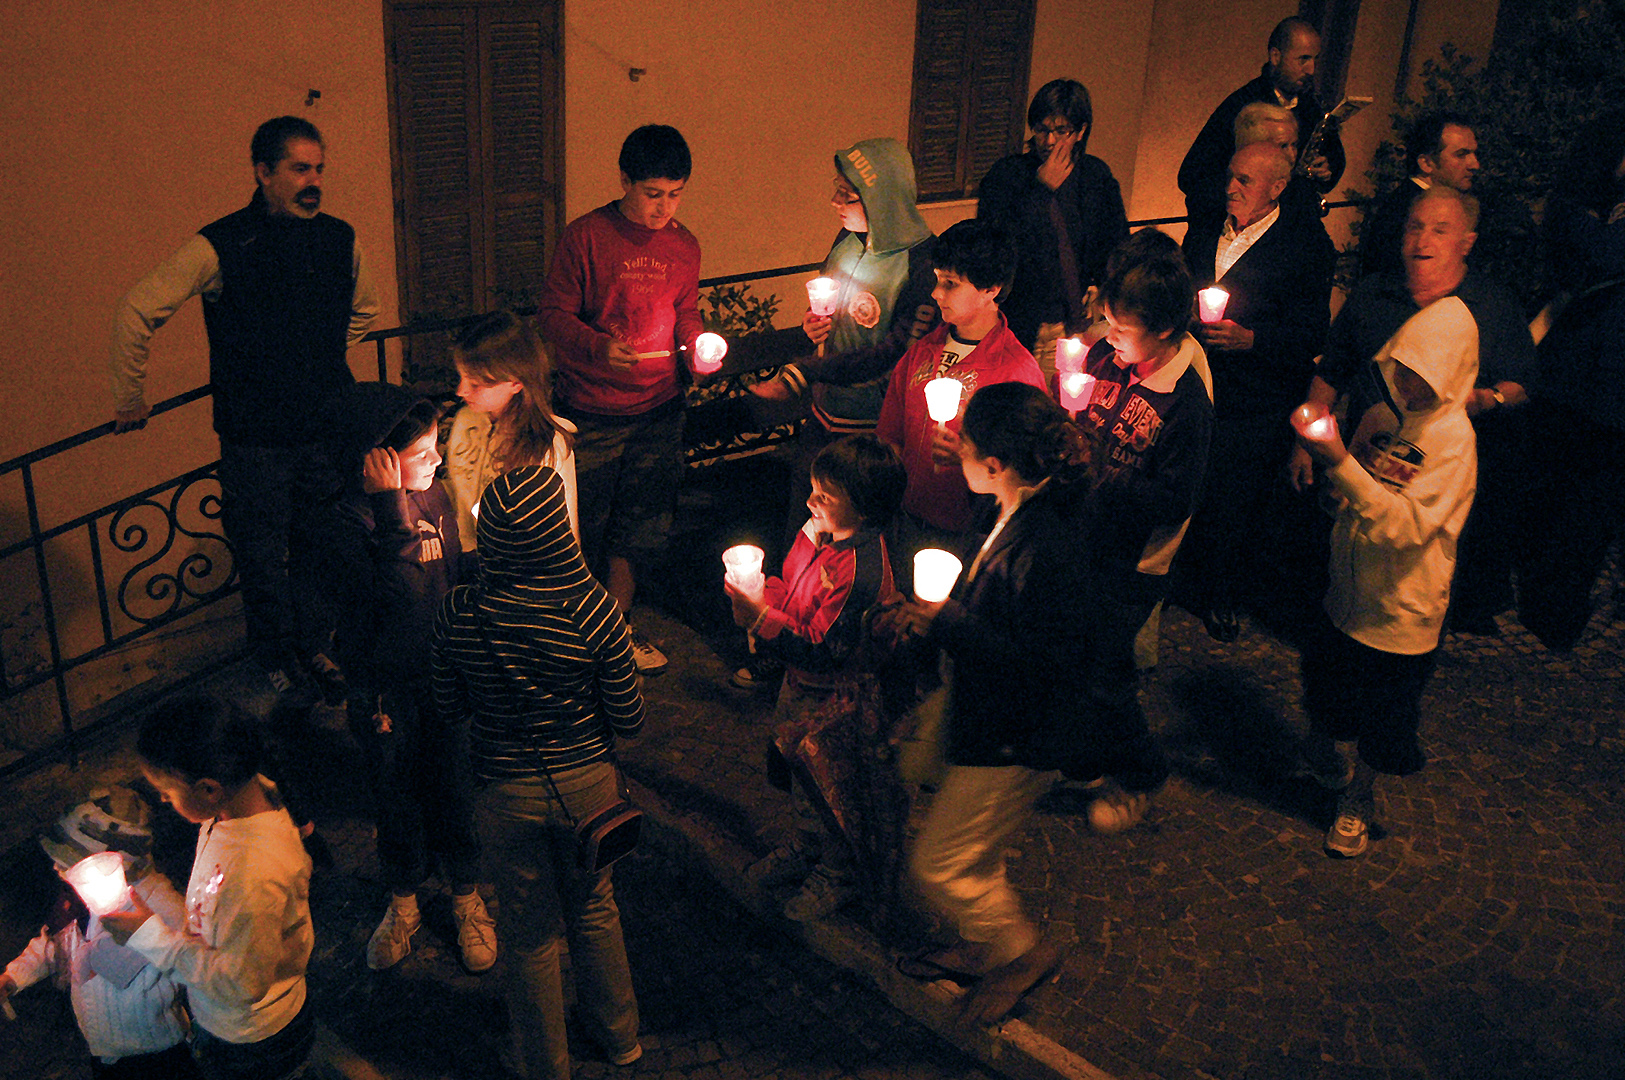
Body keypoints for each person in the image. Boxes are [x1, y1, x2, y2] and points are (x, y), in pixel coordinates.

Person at [109, 116, 380, 699]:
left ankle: (312, 647)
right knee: (261, 559)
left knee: (319, 550)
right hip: (255, 440)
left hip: (322, 428)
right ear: (262, 172)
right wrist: (130, 396)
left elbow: (365, 310)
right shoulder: (222, 243)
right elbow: (137, 309)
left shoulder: (339, 237)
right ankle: (274, 659)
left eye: (319, 169)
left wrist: (323, 358)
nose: (314, 181)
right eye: (299, 168)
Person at [889, 382, 1095, 1026]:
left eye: (967, 447)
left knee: (938, 864)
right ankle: (984, 943)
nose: (959, 454)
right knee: (974, 847)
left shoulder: (1048, 543)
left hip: (1018, 736)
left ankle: (1021, 952)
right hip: (990, 718)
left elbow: (1043, 662)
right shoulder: (1013, 509)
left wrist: (947, 623)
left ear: (996, 466)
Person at [432, 465, 645, 1080]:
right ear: (558, 532)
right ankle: (621, 1038)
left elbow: (449, 708)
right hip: (589, 788)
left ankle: (546, 1067)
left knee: (527, 934)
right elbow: (628, 718)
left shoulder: (459, 614)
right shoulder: (595, 611)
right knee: (595, 908)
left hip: (503, 791)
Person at [302, 383, 496, 974]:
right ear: (376, 463)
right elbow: (389, 595)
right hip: (385, 688)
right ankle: (405, 900)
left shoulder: (434, 496)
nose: (438, 461)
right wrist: (390, 513)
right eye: (423, 453)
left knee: (456, 786)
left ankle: (466, 896)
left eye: (436, 448)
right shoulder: (344, 523)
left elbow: (453, 572)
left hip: (443, 677)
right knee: (396, 795)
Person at [1294, 188, 1533, 634]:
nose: (1423, 240)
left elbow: (1522, 382)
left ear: (1466, 242)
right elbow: (1334, 369)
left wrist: (1484, 399)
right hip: (1369, 457)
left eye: (1440, 230)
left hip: (1435, 472)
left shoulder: (1492, 305)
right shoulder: (1373, 295)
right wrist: (1305, 443)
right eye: (1415, 226)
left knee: (1410, 562)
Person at [1291, 295, 1479, 858]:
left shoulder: (1453, 445)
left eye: (1420, 374)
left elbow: (1405, 528)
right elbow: (1361, 496)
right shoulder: (1382, 419)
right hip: (1348, 595)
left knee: (1383, 717)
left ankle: (1359, 799)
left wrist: (1337, 462)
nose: (1404, 381)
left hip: (1400, 615)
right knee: (1327, 689)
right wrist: (1334, 488)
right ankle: (1324, 752)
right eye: (1400, 365)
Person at [535, 124, 703, 675]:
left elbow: (686, 311)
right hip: (592, 411)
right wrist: (597, 347)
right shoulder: (585, 237)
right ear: (625, 181)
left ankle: (618, 627)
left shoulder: (683, 245)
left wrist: (695, 349)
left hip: (659, 408)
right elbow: (553, 316)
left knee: (642, 523)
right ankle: (573, 633)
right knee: (585, 524)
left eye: (675, 194)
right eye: (653, 193)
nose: (663, 208)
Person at [726, 434, 906, 923]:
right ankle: (805, 848)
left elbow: (825, 649)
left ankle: (838, 872)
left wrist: (762, 619)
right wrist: (765, 592)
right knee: (800, 778)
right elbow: (795, 585)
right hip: (799, 683)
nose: (810, 502)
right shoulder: (818, 532)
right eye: (812, 489)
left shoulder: (861, 572)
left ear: (864, 507)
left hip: (833, 700)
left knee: (832, 787)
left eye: (825, 496)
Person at [1075, 229, 1212, 828]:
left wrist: (1100, 476)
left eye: (1121, 328)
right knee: (1077, 652)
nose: (1108, 337)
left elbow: (1175, 499)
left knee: (1106, 671)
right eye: (1107, 321)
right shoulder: (1109, 357)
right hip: (1087, 537)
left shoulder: (1185, 402)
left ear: (1164, 329)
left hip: (1134, 562)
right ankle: (1086, 755)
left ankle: (1141, 772)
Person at [103, 696, 316, 1080]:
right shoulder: (240, 806)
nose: (164, 801)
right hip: (239, 1022)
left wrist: (149, 937)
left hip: (250, 1040)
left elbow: (243, 984)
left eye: (166, 792)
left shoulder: (253, 873)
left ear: (208, 789)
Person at [744, 137, 939, 553]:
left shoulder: (921, 265)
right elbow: (840, 307)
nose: (835, 201)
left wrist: (803, 372)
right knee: (803, 526)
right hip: (824, 413)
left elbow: (894, 353)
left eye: (848, 195)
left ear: (881, 199)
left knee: (853, 539)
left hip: (870, 430)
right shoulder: (849, 238)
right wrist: (817, 324)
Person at [1180, 140, 1334, 641]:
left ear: (1277, 187)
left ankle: (1223, 593)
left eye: (1245, 180)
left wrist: (1252, 339)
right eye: (1231, 175)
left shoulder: (1305, 246)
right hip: (1199, 383)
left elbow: (1312, 330)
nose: (1231, 187)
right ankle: (1181, 578)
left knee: (1237, 499)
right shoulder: (1205, 231)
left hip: (1257, 398)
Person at [875, 218, 1046, 579]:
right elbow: (890, 431)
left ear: (991, 289)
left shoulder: (1014, 371)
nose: (936, 293)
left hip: (968, 534)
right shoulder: (922, 350)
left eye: (950, 283)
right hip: (906, 518)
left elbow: (1027, 473)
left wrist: (970, 457)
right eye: (938, 279)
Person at [1518, 109, 1625, 650]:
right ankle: (1543, 596)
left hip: (1609, 391)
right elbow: (1590, 254)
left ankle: (1558, 610)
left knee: (1591, 507)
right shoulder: (1582, 213)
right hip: (1572, 379)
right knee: (1557, 494)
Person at [2, 794, 201, 1080]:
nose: (59, 870)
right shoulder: (83, 898)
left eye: (69, 861)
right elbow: (52, 946)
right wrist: (12, 978)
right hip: (104, 1056)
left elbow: (194, 964)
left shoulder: (160, 903)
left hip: (158, 1055)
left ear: (108, 858)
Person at [975, 79, 1129, 372]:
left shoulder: (1095, 176)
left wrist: (1104, 288)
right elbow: (993, 244)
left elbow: (1117, 242)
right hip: (1019, 319)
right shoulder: (1007, 175)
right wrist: (1041, 189)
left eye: (1061, 131)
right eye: (1042, 129)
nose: (1048, 141)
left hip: (1077, 321)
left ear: (1080, 131)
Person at [1178, 16, 1346, 238]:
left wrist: (1325, 170)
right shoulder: (1241, 105)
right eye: (1303, 59)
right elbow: (1193, 174)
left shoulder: (1311, 109)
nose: (1311, 69)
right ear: (1276, 57)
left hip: (1288, 233)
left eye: (1315, 59)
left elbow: (1334, 157)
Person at [444, 310, 580, 558]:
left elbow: (559, 537)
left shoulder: (546, 444)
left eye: (476, 383)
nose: (461, 390)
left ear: (516, 383)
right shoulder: (465, 421)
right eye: (461, 377)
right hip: (463, 559)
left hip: (515, 573)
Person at [1358, 112, 1480, 280]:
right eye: (1461, 154)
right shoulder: (1404, 210)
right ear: (1426, 163)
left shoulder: (1415, 202)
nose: (1474, 164)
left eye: (1474, 154)